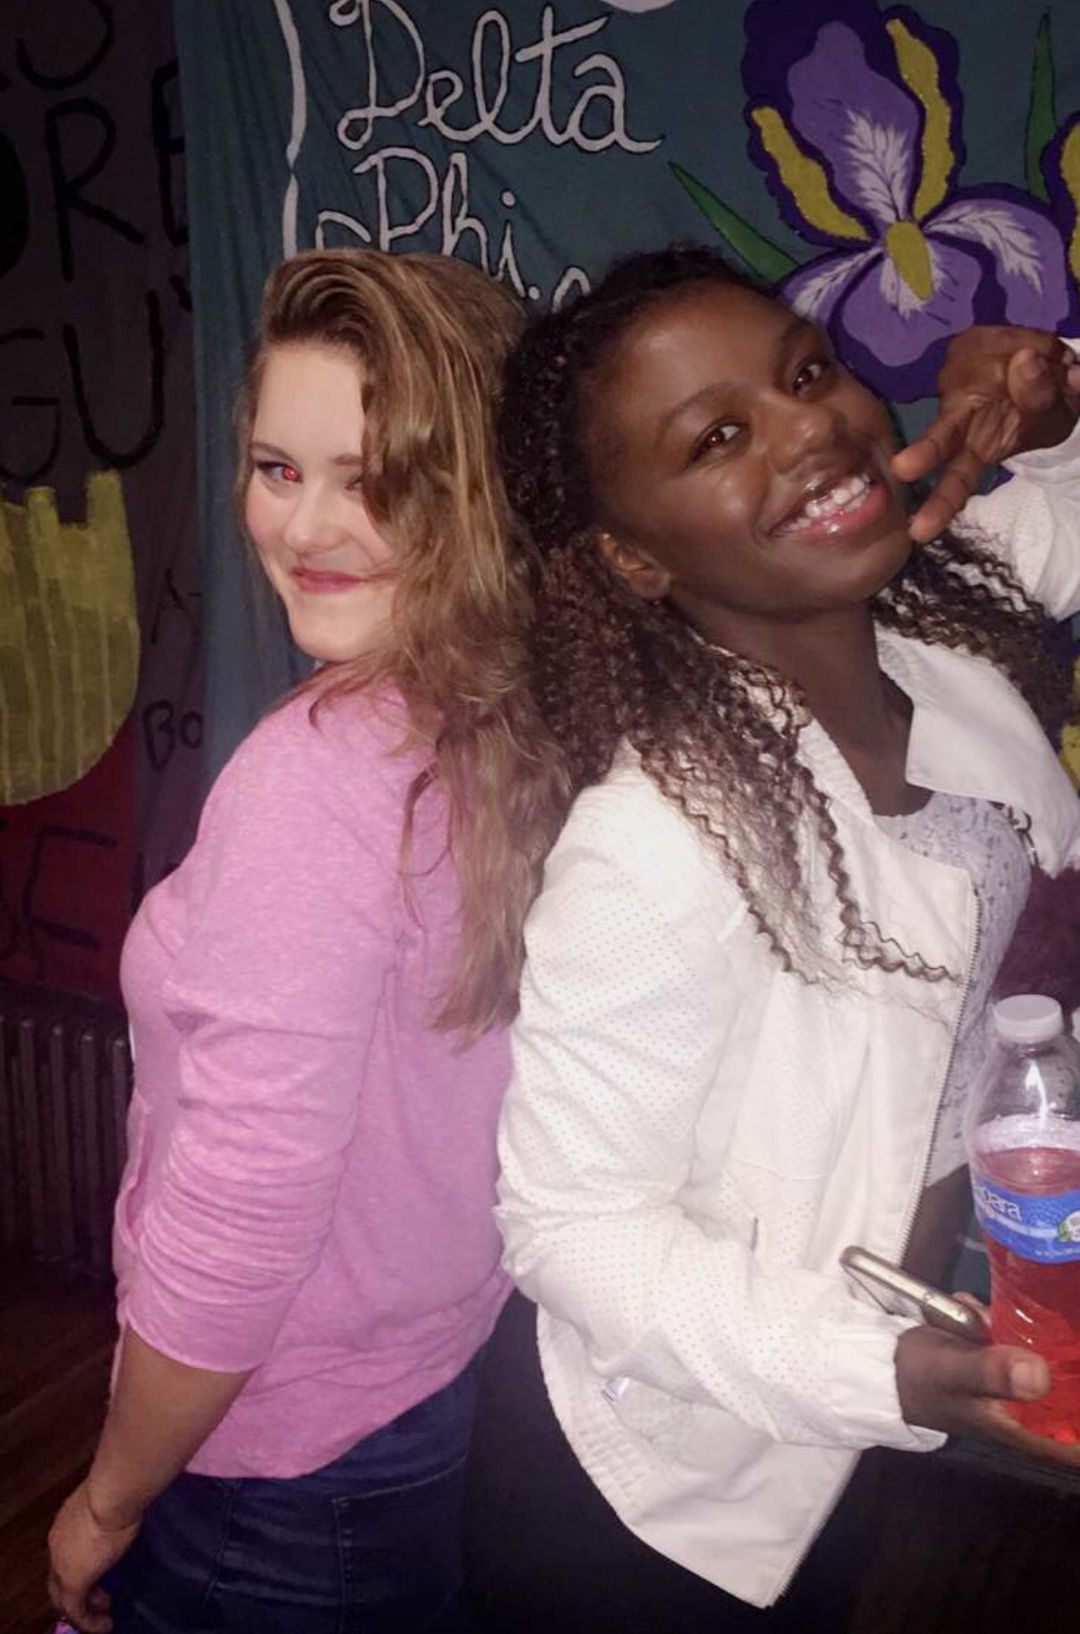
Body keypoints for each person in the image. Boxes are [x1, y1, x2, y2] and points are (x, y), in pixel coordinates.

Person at [463, 245, 1080, 1632]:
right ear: (632, 554)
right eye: (718, 438)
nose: (811, 428)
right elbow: (568, 1228)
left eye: (807, 373)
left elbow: (1067, 502)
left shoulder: (932, 629)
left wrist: (1056, 410)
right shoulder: (657, 845)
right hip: (660, 1492)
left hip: (843, 1421)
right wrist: (882, 1373)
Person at [46, 248, 563, 1634]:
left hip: (273, 1471)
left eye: (376, 476)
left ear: (480, 492)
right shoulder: (518, 715)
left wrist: (109, 1499)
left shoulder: (318, 778)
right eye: (279, 468)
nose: (309, 526)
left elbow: (237, 1230)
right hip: (428, 1395)